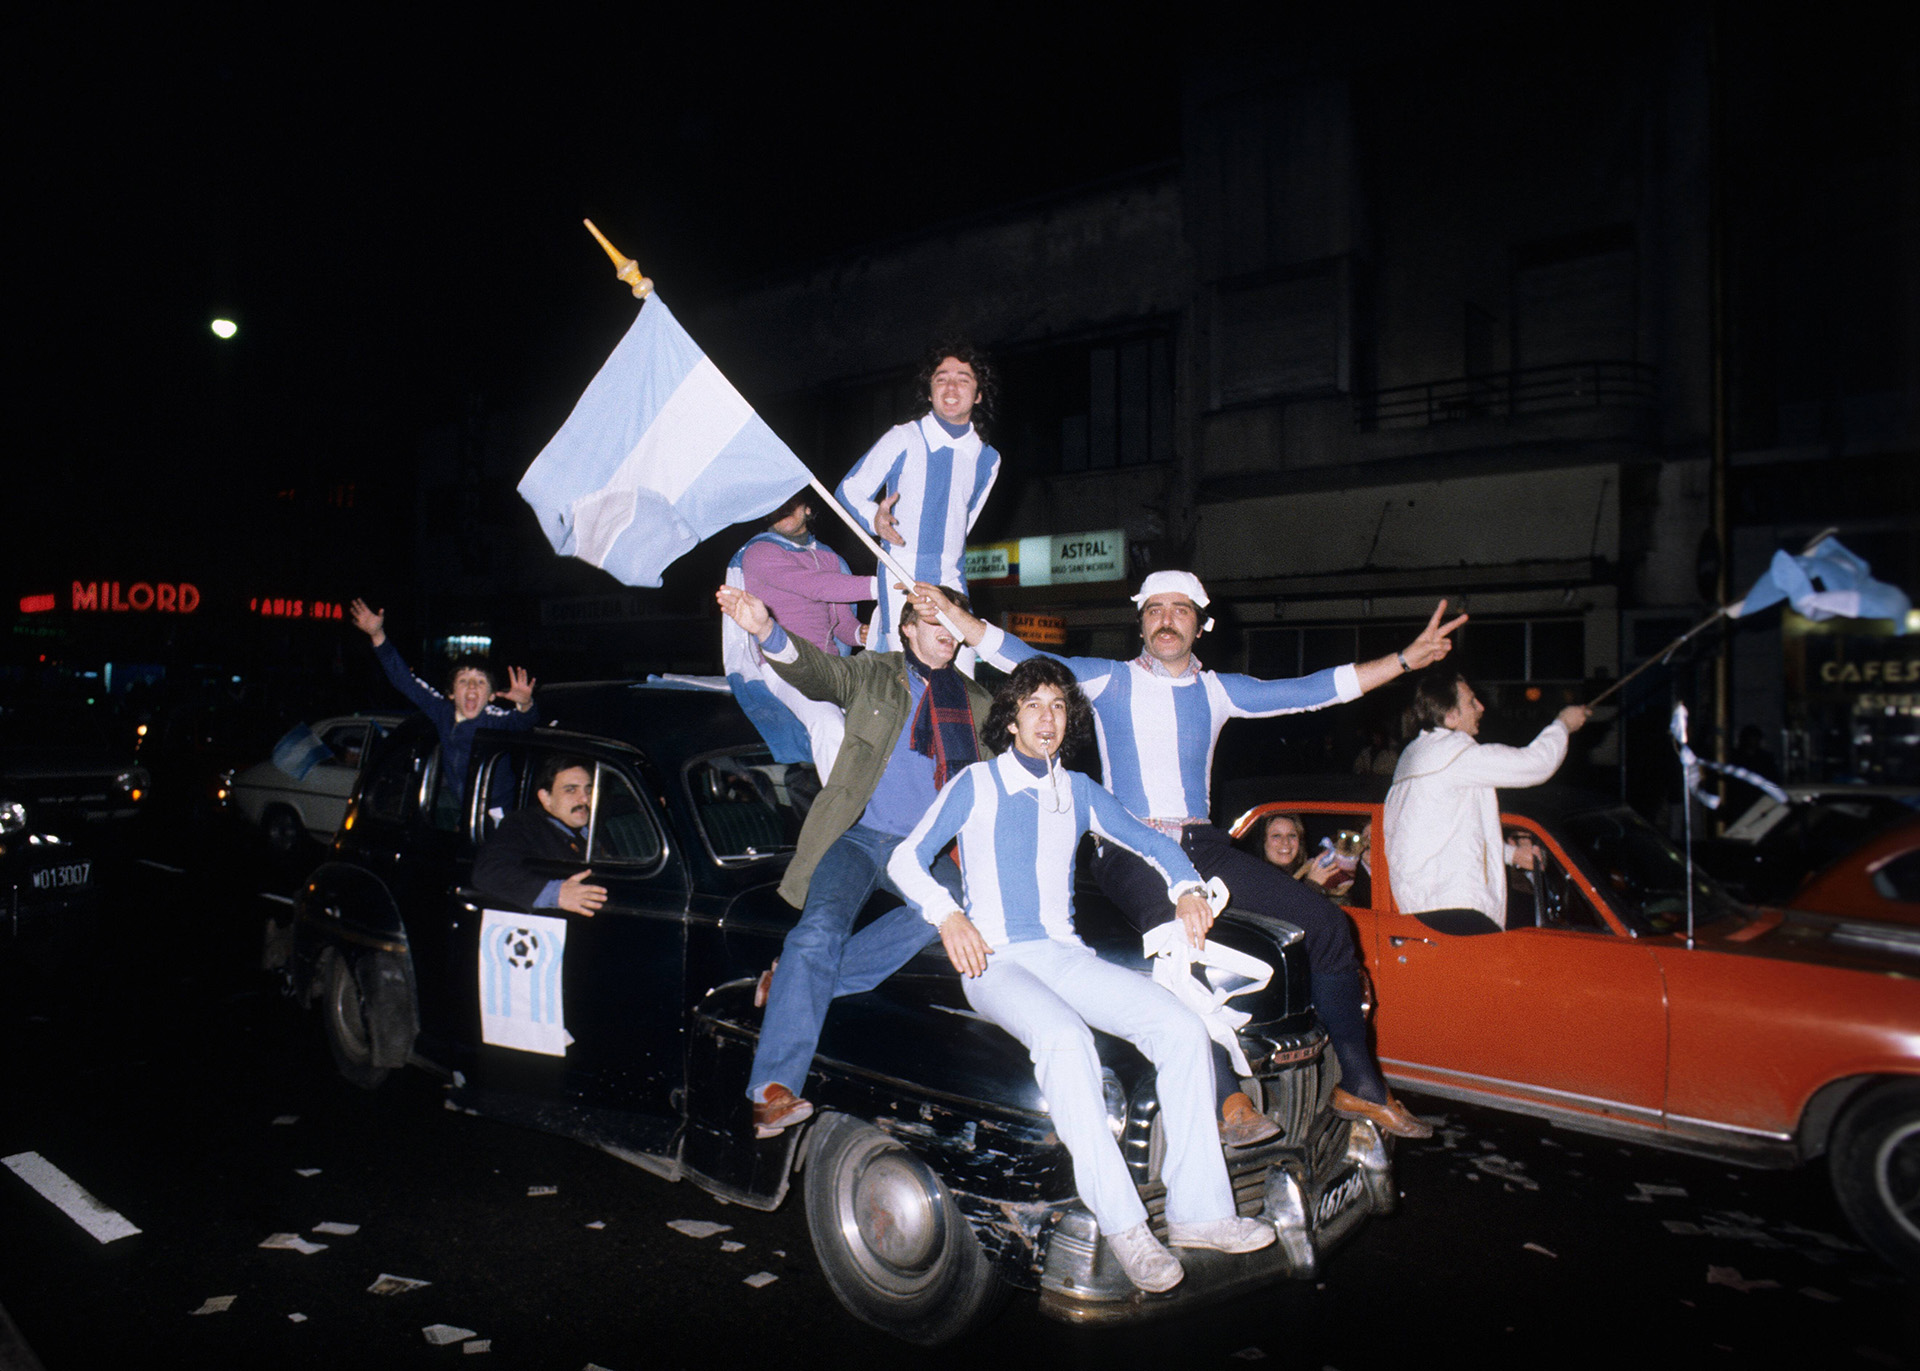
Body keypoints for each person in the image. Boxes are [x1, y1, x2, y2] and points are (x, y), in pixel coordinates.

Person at [909, 571, 1466, 1140]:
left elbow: (1310, 690)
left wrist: (1404, 660)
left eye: (1179, 609)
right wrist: (953, 616)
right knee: (1182, 942)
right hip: (1130, 846)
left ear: (1201, 624)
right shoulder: (1110, 681)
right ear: (1142, 622)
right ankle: (1227, 1100)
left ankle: (1362, 1084)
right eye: (1154, 610)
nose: (1166, 618)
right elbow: (1021, 658)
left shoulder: (1217, 690)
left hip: (1203, 845)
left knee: (1326, 923)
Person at [889, 657, 1274, 1293]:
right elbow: (906, 859)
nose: (1047, 717)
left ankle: (1201, 1214)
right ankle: (1125, 1227)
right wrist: (948, 916)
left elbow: (1155, 844)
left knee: (1180, 1029)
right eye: (1033, 704)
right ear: (1010, 717)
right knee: (1066, 1040)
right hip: (996, 961)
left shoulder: (1081, 792)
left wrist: (1184, 888)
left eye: (1059, 706)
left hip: (1065, 956)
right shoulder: (977, 784)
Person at [715, 580, 990, 1139]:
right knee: (817, 932)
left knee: (951, 904)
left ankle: (794, 982)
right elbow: (817, 672)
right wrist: (766, 628)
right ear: (908, 630)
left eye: (953, 623)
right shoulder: (873, 673)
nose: (946, 633)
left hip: (922, 852)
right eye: (932, 622)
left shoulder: (977, 703)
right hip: (858, 836)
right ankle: (772, 1089)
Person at [1384, 671, 1590, 933]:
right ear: (1450, 716)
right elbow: (1536, 764)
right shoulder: (1454, 754)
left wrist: (1511, 854)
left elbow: (1445, 836)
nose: (1481, 707)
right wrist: (1563, 725)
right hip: (1456, 909)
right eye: (1471, 702)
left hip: (1426, 906)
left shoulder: (1415, 757)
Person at [835, 343, 1000, 668]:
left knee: (961, 673)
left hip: (951, 578)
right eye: (941, 379)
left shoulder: (989, 459)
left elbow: (965, 524)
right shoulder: (903, 437)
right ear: (929, 390)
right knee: (902, 673)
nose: (951, 387)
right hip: (901, 572)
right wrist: (874, 519)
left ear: (979, 394)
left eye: (963, 379)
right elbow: (849, 489)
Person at [722, 491, 877, 783]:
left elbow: (842, 624)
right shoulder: (759, 552)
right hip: (785, 663)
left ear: (807, 508)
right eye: (774, 505)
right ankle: (841, 816)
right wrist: (883, 585)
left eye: (789, 504)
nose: (780, 511)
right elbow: (814, 586)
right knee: (829, 725)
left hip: (833, 667)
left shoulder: (830, 557)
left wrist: (860, 633)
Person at [349, 599, 538, 808]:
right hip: (461, 803)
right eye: (463, 681)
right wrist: (377, 635)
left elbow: (521, 723)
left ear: (492, 696)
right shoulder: (442, 710)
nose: (472, 687)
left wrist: (525, 705)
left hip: (494, 811)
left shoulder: (493, 719)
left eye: (481, 682)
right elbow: (405, 681)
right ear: (451, 693)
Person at [471, 755, 608, 916]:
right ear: (546, 798)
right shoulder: (524, 825)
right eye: (571, 790)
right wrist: (556, 894)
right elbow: (488, 872)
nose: (585, 799)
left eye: (588, 789)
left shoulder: (595, 828)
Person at [1249, 811, 1347, 894]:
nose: (1285, 842)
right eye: (1276, 836)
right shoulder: (1256, 878)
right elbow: (1282, 909)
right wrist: (1312, 884)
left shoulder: (1306, 872)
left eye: (1292, 835)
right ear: (1263, 842)